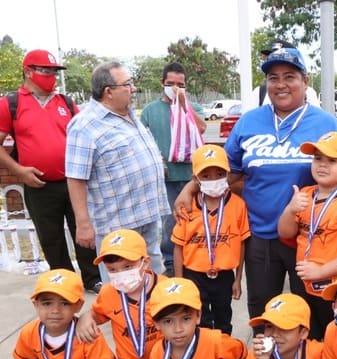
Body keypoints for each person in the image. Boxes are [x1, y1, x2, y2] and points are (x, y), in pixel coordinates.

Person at [176, 45, 337, 325]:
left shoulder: (326, 123)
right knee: (263, 310)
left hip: (311, 236)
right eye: (273, 78)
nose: (280, 84)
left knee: (313, 311)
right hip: (259, 233)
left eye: (289, 76)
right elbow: (223, 170)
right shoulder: (250, 122)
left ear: (305, 81)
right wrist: (190, 188)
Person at [0, 49, 101, 293]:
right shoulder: (11, 104)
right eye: (46, 71)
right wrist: (19, 171)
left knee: (84, 232)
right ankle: (65, 283)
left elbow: (86, 136)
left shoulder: (65, 103)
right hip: (39, 185)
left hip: (74, 182)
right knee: (51, 237)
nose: (51, 77)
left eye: (54, 72)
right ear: (28, 72)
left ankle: (92, 279)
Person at [66, 61, 167, 278]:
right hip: (117, 226)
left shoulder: (129, 114)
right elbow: (76, 178)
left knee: (151, 279)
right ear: (108, 92)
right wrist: (83, 224)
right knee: (121, 284)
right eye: (127, 84)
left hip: (146, 215)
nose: (134, 89)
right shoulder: (85, 125)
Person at [278, 132, 337, 339]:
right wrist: (290, 210)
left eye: (332, 160)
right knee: (310, 338)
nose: (322, 165)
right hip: (304, 283)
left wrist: (322, 271)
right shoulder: (304, 194)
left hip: (335, 288)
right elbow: (285, 232)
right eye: (318, 158)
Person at [75, 229, 166, 359]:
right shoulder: (108, 293)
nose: (120, 275)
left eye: (127, 266)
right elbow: (95, 314)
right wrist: (85, 316)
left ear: (145, 262)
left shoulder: (165, 288)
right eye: (113, 270)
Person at [172, 145, 249, 335]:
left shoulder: (238, 205)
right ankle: (205, 357)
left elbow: (242, 243)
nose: (213, 180)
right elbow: (178, 247)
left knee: (224, 319)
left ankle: (223, 356)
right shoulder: (187, 206)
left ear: (228, 174)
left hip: (224, 276)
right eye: (206, 176)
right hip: (194, 275)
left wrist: (238, 279)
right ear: (195, 178)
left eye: (219, 174)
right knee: (200, 320)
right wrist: (180, 281)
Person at [139, 62, 207, 277]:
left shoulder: (193, 107)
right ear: (162, 83)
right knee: (170, 221)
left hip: (191, 176)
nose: (175, 88)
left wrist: (184, 105)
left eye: (180, 84)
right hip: (165, 177)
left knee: (196, 219)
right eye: (171, 84)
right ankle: (170, 262)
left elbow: (202, 127)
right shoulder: (150, 110)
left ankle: (196, 257)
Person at [246, 40, 321, 112]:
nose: (281, 85)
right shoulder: (259, 92)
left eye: (289, 77)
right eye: (270, 56)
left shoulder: (309, 93)